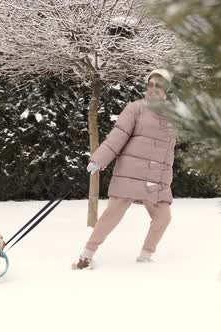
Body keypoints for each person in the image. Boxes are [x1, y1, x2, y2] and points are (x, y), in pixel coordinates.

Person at [72, 68, 177, 270]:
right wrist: (98, 160)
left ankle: (145, 257)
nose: (154, 89)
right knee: (112, 215)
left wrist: (165, 181)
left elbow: (168, 152)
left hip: (155, 178)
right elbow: (117, 136)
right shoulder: (136, 108)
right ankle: (87, 255)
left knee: (163, 217)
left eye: (159, 85)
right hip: (130, 173)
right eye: (151, 85)